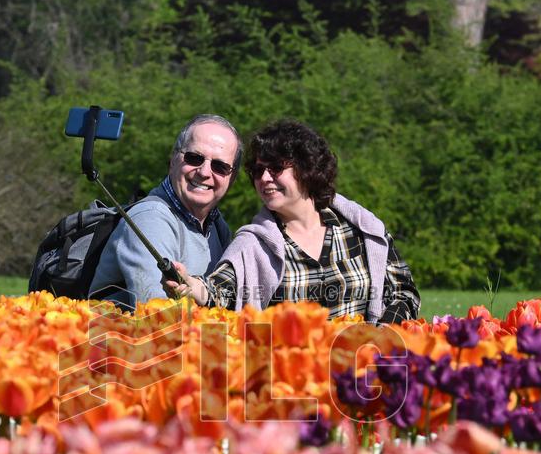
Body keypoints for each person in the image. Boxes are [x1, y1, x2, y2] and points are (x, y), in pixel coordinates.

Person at [168, 119, 420, 324]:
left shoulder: (362, 229)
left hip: (362, 370)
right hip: (292, 375)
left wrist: (382, 335)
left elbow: (404, 293)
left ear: (307, 168)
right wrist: (196, 288)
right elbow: (222, 290)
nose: (264, 178)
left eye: (276, 168)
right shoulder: (253, 245)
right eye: (258, 171)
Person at [89, 114, 241, 309]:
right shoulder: (151, 218)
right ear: (173, 160)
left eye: (220, 166)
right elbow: (157, 312)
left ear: (232, 178)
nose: (204, 172)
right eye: (194, 158)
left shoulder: (218, 227)